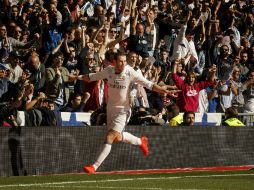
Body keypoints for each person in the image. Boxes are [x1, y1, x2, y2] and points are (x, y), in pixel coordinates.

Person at [77, 52, 180, 174]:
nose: (123, 63)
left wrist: (164, 90)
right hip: (110, 108)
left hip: (123, 110)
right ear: (114, 62)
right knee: (117, 137)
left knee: (110, 136)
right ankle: (140, 141)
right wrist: (76, 77)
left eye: (125, 61)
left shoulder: (130, 71)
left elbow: (149, 84)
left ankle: (94, 167)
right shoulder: (109, 70)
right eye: (120, 61)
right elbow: (92, 76)